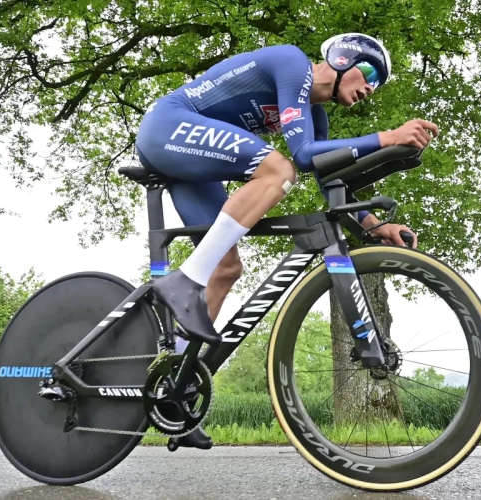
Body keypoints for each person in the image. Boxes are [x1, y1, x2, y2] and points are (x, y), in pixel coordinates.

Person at [134, 33, 439, 448]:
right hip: (168, 126)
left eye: (377, 83)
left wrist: (372, 226)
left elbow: (325, 173)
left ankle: (174, 389)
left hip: (191, 162)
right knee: (277, 171)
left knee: (226, 268)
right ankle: (184, 281)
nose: (370, 87)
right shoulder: (292, 62)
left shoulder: (314, 115)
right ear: (342, 60)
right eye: (368, 73)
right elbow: (301, 155)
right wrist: (386, 137)